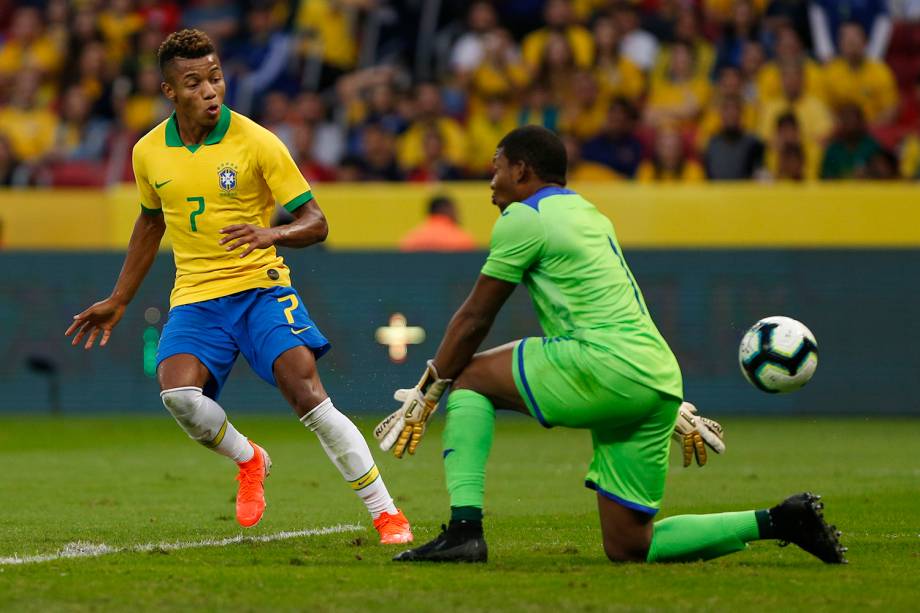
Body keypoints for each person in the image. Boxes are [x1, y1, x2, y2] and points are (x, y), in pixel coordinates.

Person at [379, 125, 846, 565]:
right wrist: (671, 407)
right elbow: (622, 310)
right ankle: (781, 519)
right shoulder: (589, 213)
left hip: (602, 364)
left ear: (521, 170)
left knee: (466, 378)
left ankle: (464, 533)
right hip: (656, 377)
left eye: (496, 167)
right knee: (630, 545)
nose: (491, 181)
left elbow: (475, 317)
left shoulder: (524, 217)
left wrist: (429, 390)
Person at [64, 29, 412, 545]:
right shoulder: (147, 153)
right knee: (179, 395)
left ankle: (388, 515)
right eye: (195, 82)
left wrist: (272, 233)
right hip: (195, 298)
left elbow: (316, 222)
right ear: (169, 91)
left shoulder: (257, 141)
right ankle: (250, 459)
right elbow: (150, 224)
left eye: (216, 77)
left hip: (259, 288)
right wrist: (120, 298)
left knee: (308, 394)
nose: (210, 90)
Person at [399, 195, 477, 252]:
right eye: (455, 211)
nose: (458, 215)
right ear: (447, 209)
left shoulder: (411, 240)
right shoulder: (462, 239)